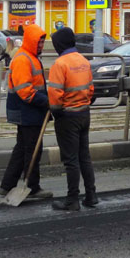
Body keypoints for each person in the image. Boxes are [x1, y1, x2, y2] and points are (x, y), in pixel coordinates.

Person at [0, 23, 52, 199]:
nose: (41, 45)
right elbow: (25, 91)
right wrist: (46, 102)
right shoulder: (24, 59)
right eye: (39, 42)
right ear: (30, 41)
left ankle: (7, 186)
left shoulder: (29, 56)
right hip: (27, 111)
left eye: (43, 42)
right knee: (32, 150)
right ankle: (32, 187)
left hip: (28, 111)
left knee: (22, 149)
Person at [48, 27, 97, 211]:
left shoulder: (60, 64)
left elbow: (54, 92)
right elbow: (91, 89)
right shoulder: (83, 61)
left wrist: (56, 111)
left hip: (67, 116)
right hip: (84, 113)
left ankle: (72, 200)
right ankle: (91, 195)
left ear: (59, 44)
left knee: (71, 160)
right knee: (84, 157)